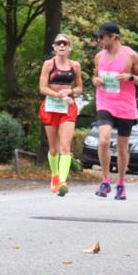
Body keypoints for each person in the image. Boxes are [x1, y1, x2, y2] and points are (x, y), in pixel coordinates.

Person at [91, 22, 138, 200]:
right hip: (105, 102)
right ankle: (105, 180)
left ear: (114, 37)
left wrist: (130, 77)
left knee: (123, 147)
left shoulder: (131, 55)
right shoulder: (99, 56)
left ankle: (121, 184)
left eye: (102, 37)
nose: (100, 40)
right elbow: (96, 75)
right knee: (103, 140)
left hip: (125, 106)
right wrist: (96, 81)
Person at [38, 33, 84, 196]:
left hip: (68, 107)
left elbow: (79, 87)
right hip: (51, 106)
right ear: (54, 47)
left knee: (65, 147)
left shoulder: (75, 66)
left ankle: (63, 182)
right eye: (59, 43)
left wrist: (70, 91)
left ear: (70, 47)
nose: (62, 46)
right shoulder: (48, 64)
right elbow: (42, 87)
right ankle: (55, 176)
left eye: (65, 43)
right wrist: (56, 94)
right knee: (54, 148)